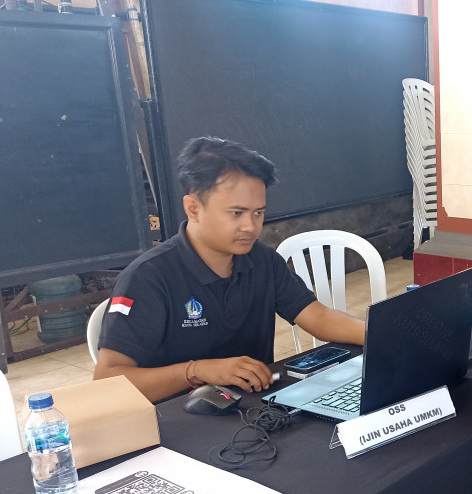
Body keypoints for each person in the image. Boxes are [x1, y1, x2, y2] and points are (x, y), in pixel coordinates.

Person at [94, 137, 366, 402]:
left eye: (258, 212)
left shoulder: (261, 259)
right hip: (176, 424)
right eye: (236, 213)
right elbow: (108, 383)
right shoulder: (148, 277)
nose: (250, 226)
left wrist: (380, 333)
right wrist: (197, 370)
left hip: (253, 410)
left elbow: (318, 318)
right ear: (193, 208)